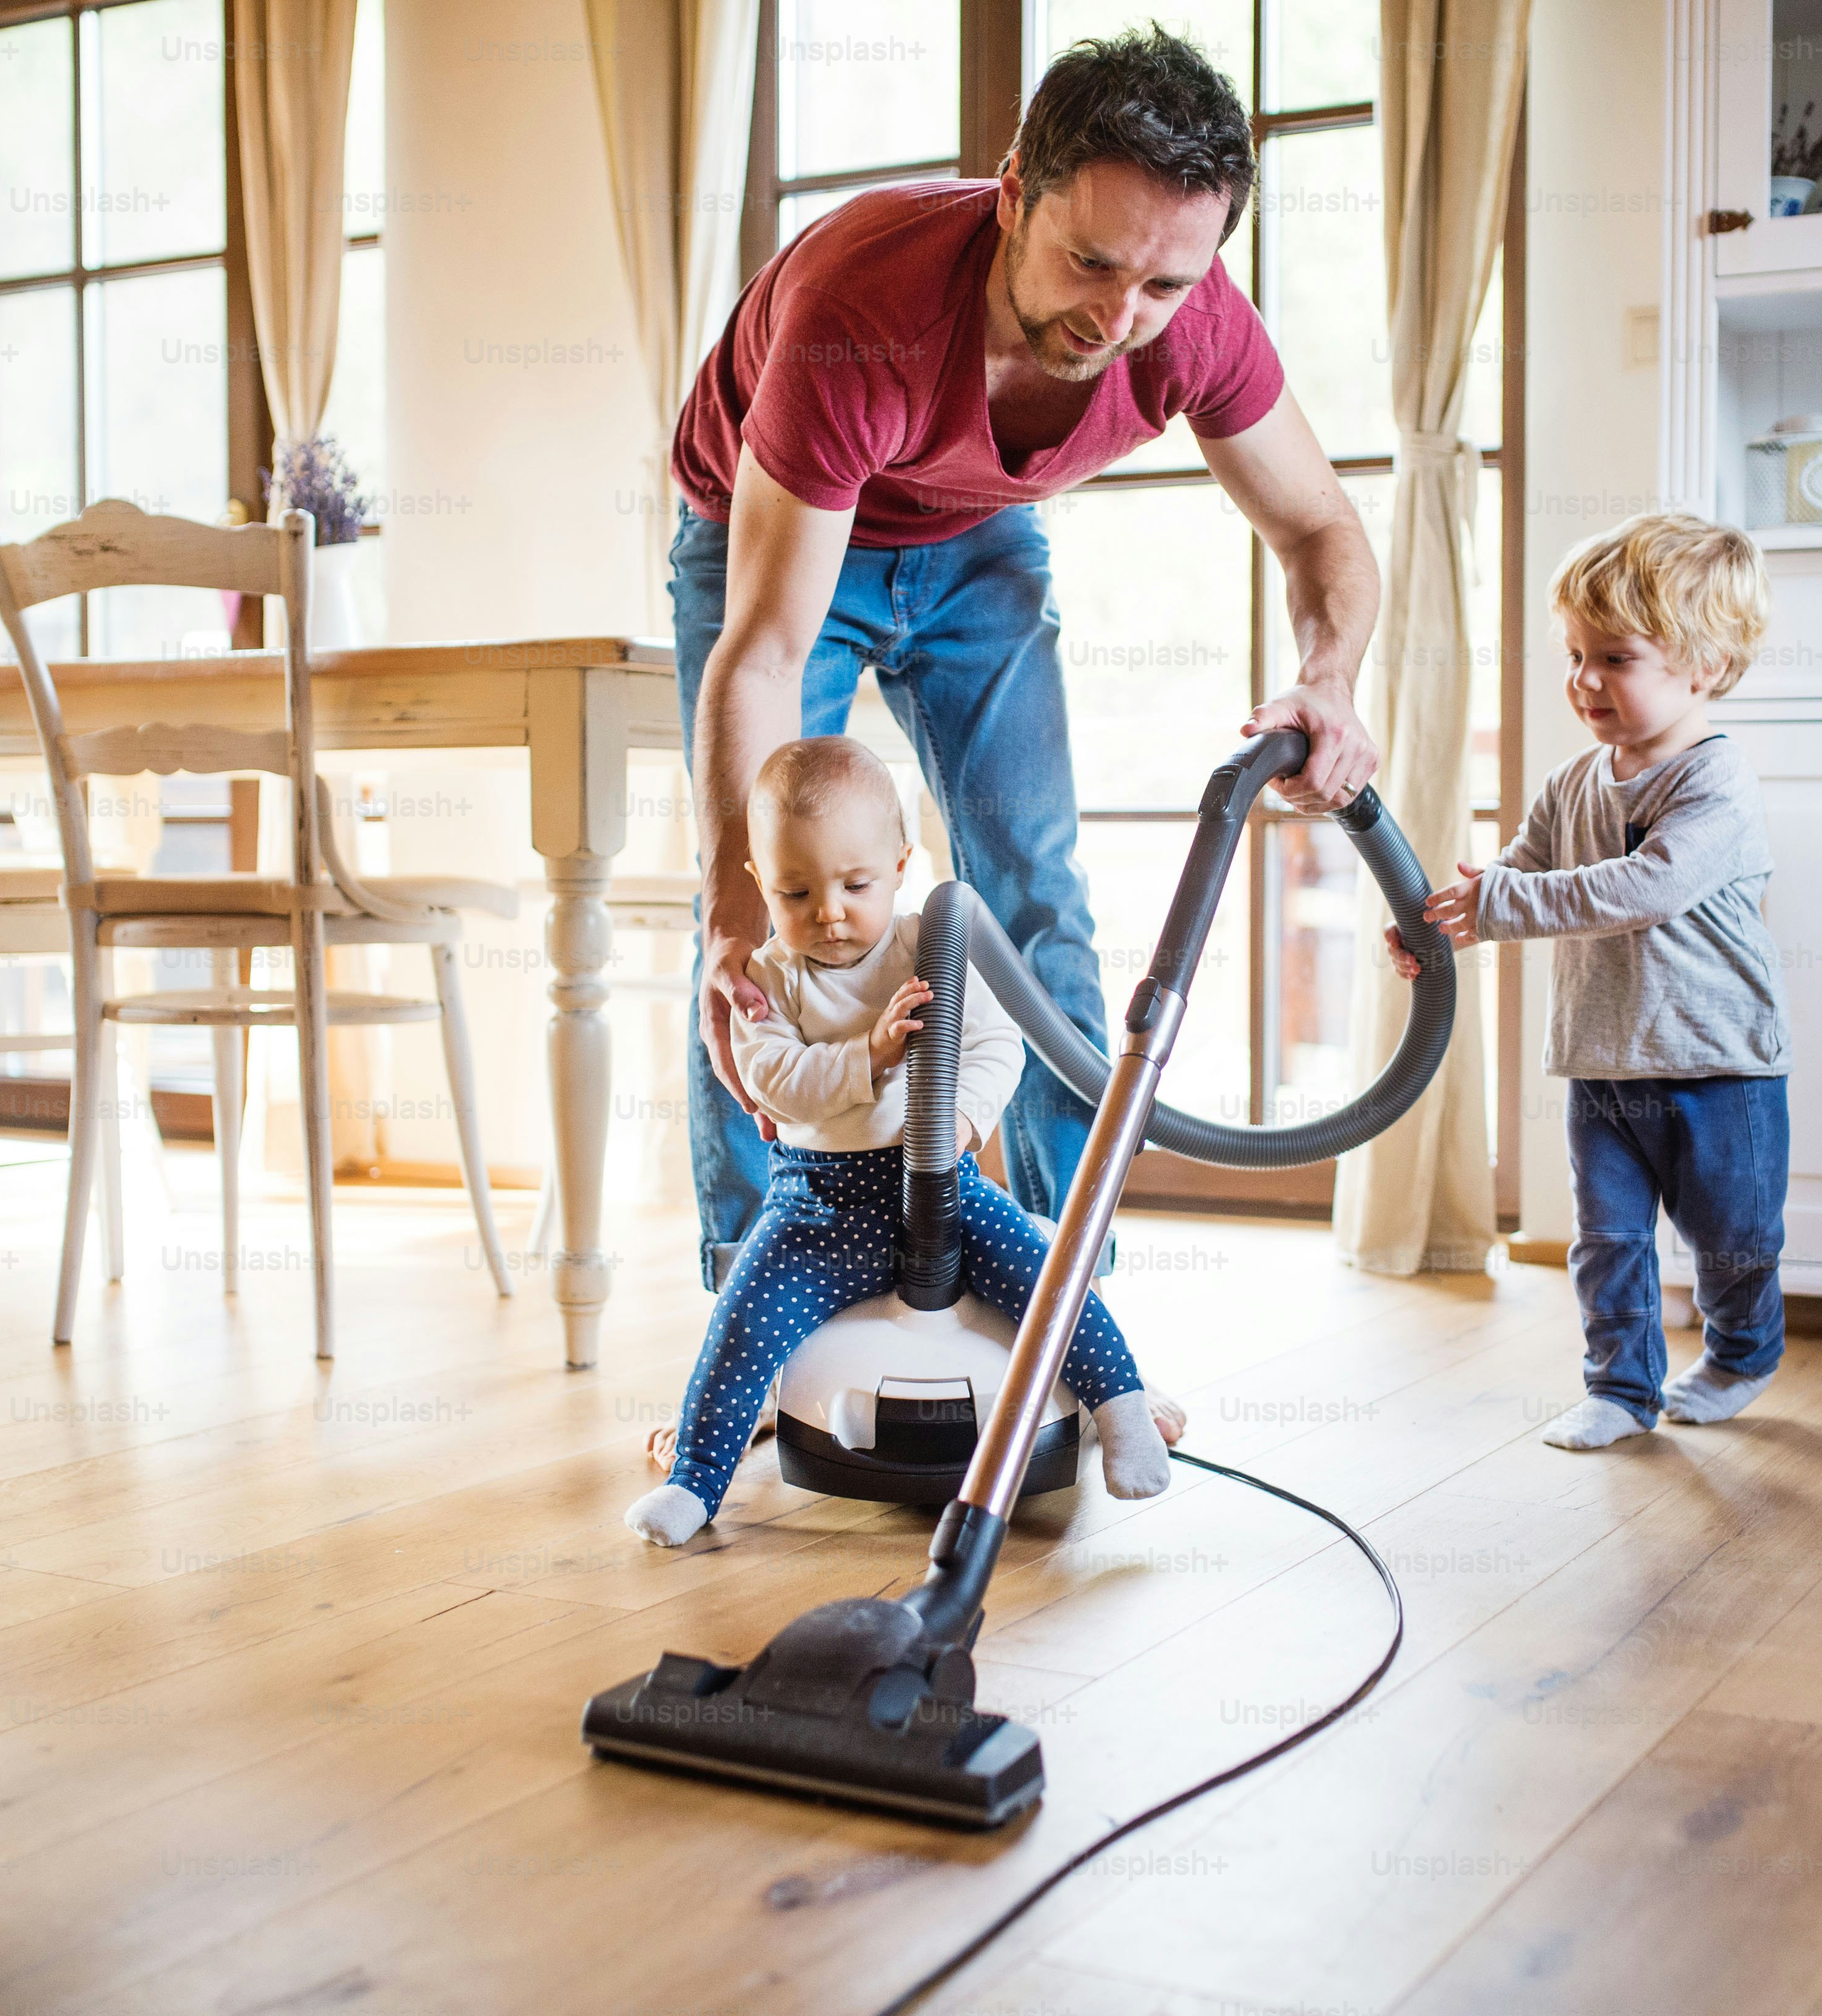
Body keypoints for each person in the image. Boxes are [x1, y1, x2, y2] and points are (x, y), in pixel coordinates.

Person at [669, 26, 1381, 1286]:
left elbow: (1322, 524)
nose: (1120, 319)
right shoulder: (862, 307)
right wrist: (730, 904)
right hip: (777, 541)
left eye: (1162, 286)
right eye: (1090, 262)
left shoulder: (1194, 322)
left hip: (976, 536)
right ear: (1011, 196)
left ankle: (1063, 1298)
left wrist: (1329, 680)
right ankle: (757, 1293)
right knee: (761, 922)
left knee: (1035, 894)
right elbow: (768, 647)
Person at [626, 738, 1183, 1548]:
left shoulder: (932, 944)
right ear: (758, 883)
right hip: (815, 1206)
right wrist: (871, 1055)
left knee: (1049, 1280)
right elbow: (775, 1082)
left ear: (900, 863)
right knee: (742, 1324)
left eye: (857, 884)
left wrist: (959, 1120)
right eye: (795, 890)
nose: (829, 911)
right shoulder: (769, 979)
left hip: (943, 1189)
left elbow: (999, 1046)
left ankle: (1120, 1411)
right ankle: (697, 1483)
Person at [1389, 514, 1789, 1451]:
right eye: (1575, 655)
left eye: (1615, 658)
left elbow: (1647, 887)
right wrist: (1442, 926)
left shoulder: (1716, 783)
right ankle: (1620, 1388)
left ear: (1705, 664)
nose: (1583, 681)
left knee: (1730, 1242)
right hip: (1602, 1062)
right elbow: (1519, 877)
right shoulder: (1573, 782)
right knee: (1606, 1242)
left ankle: (1740, 1355)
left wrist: (1502, 905)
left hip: (1717, 1066)